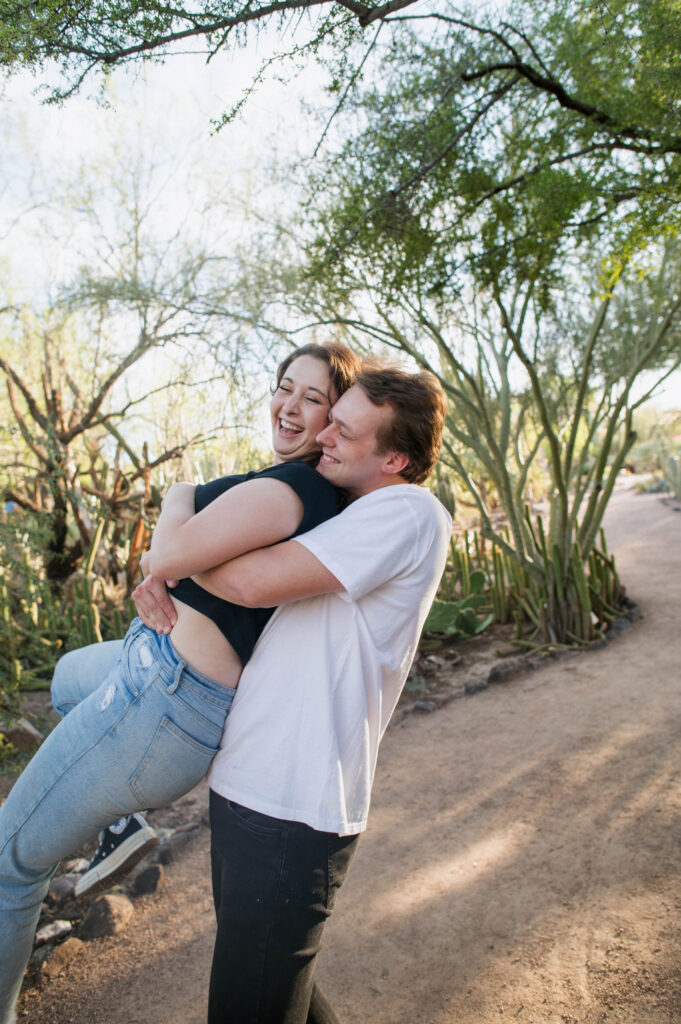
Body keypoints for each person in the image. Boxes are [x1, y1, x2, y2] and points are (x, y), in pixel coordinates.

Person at [0, 341, 361, 1024]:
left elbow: (167, 553)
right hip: (149, 667)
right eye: (284, 386)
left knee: (10, 865)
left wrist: (176, 497)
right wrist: (171, 551)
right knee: (68, 677)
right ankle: (125, 826)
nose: (289, 404)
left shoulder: (293, 489)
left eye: (312, 398)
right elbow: (180, 560)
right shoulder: (290, 483)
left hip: (160, 701)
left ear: (333, 419)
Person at [134, 365, 452, 1024]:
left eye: (344, 430)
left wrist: (178, 534)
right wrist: (184, 562)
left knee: (251, 1004)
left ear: (394, 458)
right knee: (282, 993)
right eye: (329, 421)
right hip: (253, 786)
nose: (323, 436)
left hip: (293, 802)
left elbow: (250, 582)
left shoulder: (407, 511)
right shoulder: (350, 513)